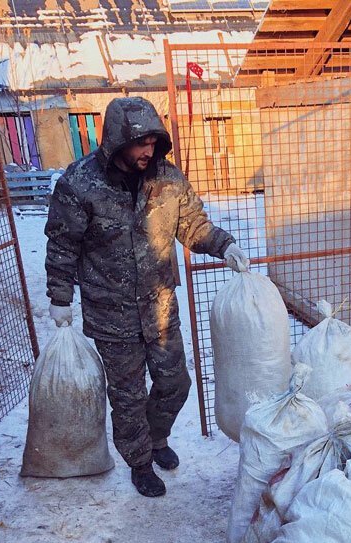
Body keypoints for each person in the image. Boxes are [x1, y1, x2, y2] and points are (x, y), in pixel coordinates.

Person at [45, 96, 249, 497]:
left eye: (154, 142)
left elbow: (193, 225)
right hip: (111, 313)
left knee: (175, 383)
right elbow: (62, 243)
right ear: (118, 140)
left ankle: (156, 439)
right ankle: (139, 462)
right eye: (141, 143)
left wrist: (223, 245)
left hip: (159, 309)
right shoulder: (80, 183)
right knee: (128, 396)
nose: (149, 151)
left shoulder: (168, 180)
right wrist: (60, 296)